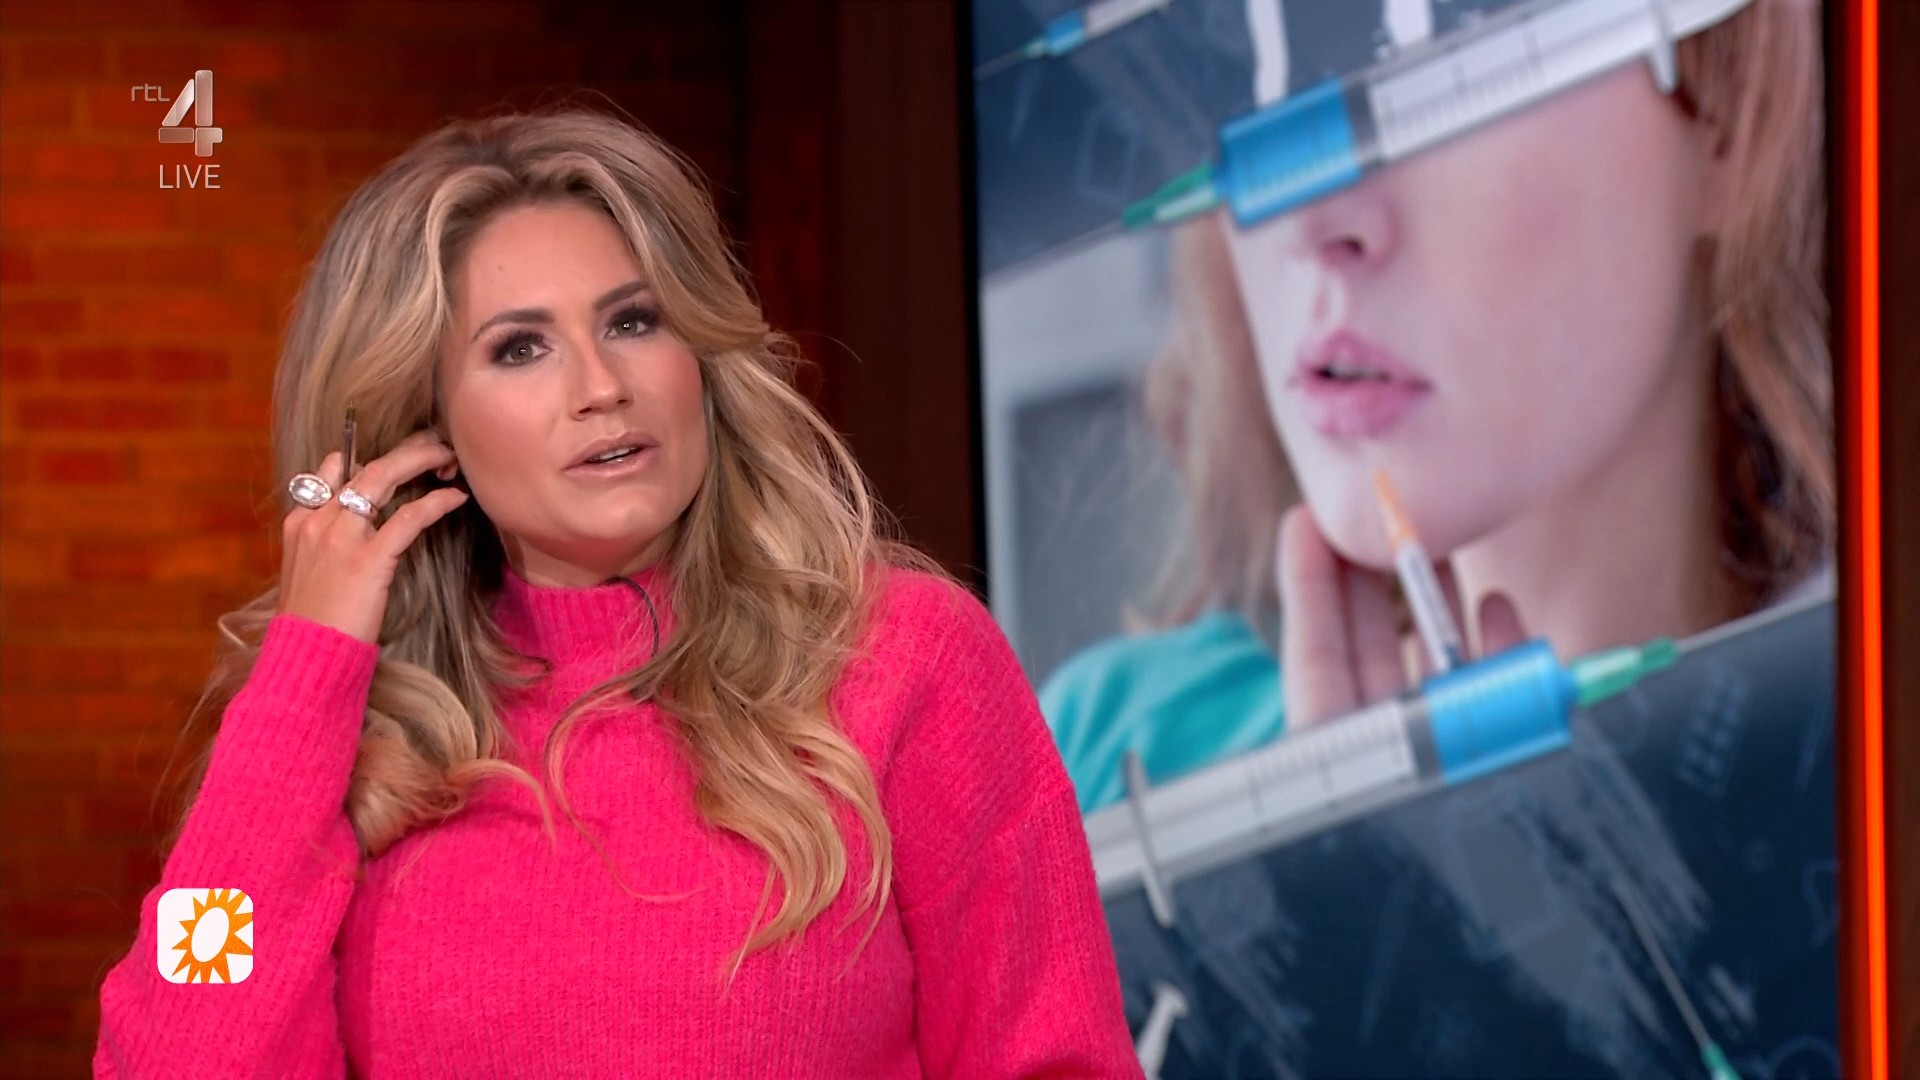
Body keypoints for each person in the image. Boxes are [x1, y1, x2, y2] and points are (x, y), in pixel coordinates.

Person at [94, 108, 1141, 1078]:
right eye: (521, 348)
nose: (602, 387)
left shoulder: (904, 656)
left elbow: (1056, 1058)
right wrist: (306, 673)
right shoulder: (342, 738)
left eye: (635, 321)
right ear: (427, 428)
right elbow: (175, 1047)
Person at [1043, 0, 1833, 812]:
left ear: (1731, 105)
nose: (1308, 219)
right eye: (1253, 71)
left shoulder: (1868, 807)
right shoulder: (1081, 772)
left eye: (1441, 55)